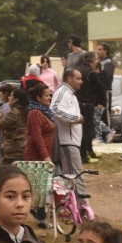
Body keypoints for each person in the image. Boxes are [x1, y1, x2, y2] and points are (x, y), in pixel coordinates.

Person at [51, 69, 88, 197]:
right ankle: (82, 205)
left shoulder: (71, 95)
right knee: (75, 177)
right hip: (67, 142)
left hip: (72, 142)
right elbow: (55, 109)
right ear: (69, 78)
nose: (81, 82)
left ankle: (72, 205)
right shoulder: (62, 92)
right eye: (78, 78)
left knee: (73, 177)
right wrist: (76, 117)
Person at [76, 52, 104, 163]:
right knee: (87, 130)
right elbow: (100, 87)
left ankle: (89, 151)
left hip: (78, 102)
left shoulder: (78, 70)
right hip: (87, 103)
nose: (97, 61)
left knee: (84, 129)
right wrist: (101, 101)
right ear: (92, 61)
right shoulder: (91, 72)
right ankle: (84, 155)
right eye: (96, 59)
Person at [0, 87, 28, 165]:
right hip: (23, 148)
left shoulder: (15, 112)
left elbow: (1, 126)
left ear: (16, 99)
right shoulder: (25, 111)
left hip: (12, 149)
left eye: (11, 96)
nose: (8, 98)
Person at [25, 83, 55, 162]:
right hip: (37, 158)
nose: (50, 98)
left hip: (45, 155)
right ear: (38, 98)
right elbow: (37, 136)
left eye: (50, 95)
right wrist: (45, 156)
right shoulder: (34, 113)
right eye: (47, 96)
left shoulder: (47, 113)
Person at [95, 42, 115, 144]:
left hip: (105, 91)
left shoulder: (109, 63)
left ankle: (108, 135)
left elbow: (106, 77)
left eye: (100, 49)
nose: (97, 51)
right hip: (97, 92)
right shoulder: (97, 62)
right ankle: (100, 137)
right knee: (97, 116)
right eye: (97, 49)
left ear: (105, 51)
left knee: (105, 115)